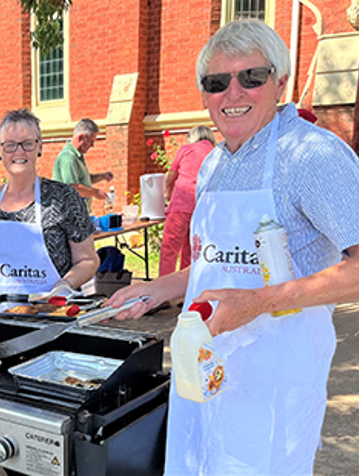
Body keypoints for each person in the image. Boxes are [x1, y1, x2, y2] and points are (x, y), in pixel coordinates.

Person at [109, 20, 359, 475]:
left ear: (280, 82)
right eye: (217, 83)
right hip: (203, 367)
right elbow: (214, 262)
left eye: (252, 77)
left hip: (275, 379)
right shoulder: (213, 164)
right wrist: (158, 288)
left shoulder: (312, 155)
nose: (233, 93)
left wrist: (260, 302)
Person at [0, 109, 99, 303]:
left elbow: (88, 260)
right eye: (10, 145)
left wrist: (64, 285)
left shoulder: (64, 198)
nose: (19, 152)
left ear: (39, 147)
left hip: (49, 321)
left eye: (27, 144)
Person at [159, 125, 216, 276]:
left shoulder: (186, 149)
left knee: (169, 249)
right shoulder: (216, 152)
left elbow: (170, 179)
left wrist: (169, 196)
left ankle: (164, 289)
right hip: (203, 207)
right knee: (192, 249)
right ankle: (186, 288)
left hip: (181, 203)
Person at [52, 118, 114, 210]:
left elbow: (82, 181)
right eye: (91, 142)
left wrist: (102, 176)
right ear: (81, 138)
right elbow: (72, 187)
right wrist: (95, 192)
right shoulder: (68, 157)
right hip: (68, 214)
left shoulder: (77, 156)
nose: (92, 146)